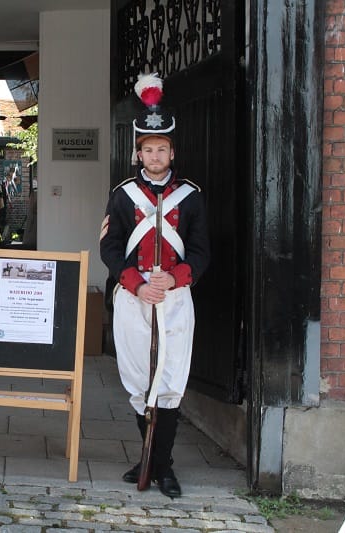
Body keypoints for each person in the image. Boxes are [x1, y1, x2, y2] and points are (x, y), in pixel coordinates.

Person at [99, 73, 210, 497]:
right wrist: (134, 283)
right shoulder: (123, 195)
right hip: (133, 298)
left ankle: (161, 467)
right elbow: (110, 248)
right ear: (139, 152)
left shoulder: (192, 197)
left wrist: (176, 277)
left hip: (176, 300)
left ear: (171, 151)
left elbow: (201, 253)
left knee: (169, 383)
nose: (156, 155)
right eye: (149, 149)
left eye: (162, 148)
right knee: (137, 382)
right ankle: (153, 461)